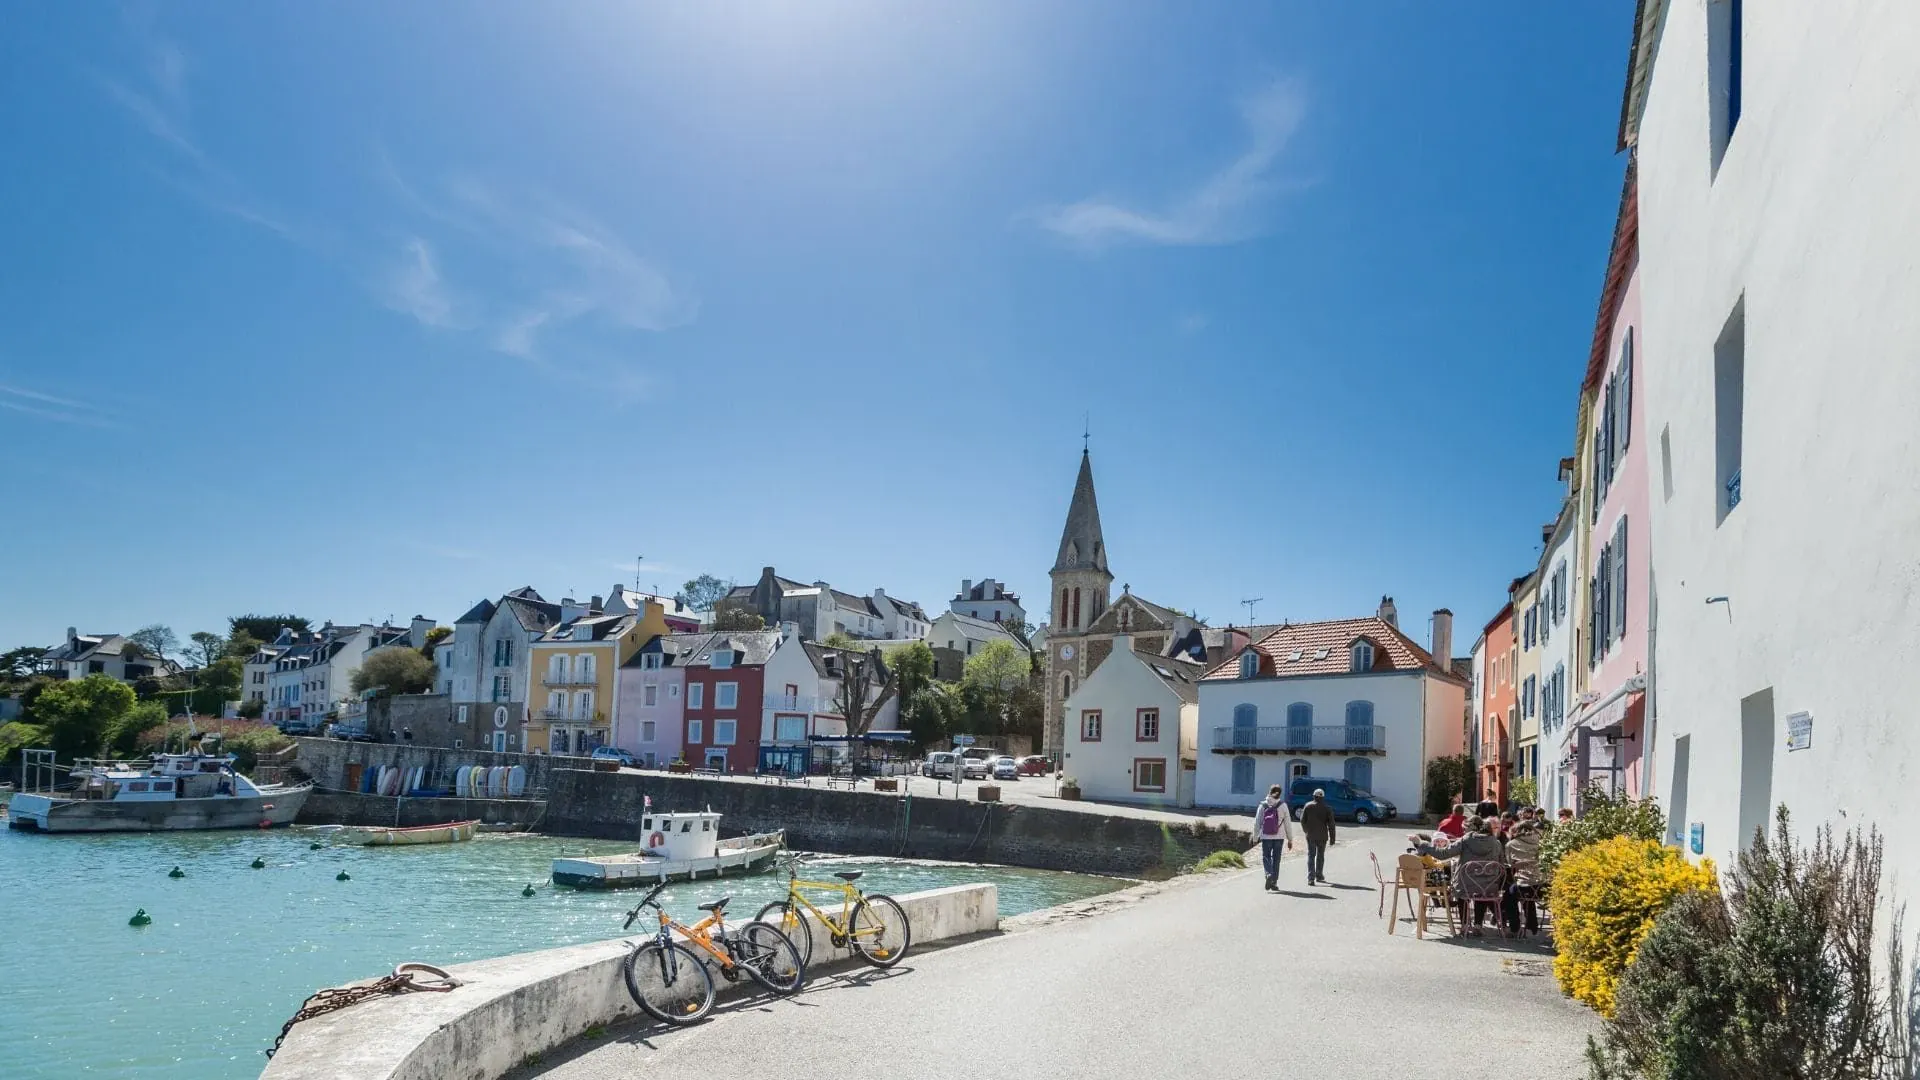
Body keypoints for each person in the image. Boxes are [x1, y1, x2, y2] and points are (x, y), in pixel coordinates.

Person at [1414, 817, 1507, 930]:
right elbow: (1502, 864)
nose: (1463, 832)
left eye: (1464, 829)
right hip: (1489, 886)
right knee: (1481, 887)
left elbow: (1443, 854)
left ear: (1471, 828)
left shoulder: (1466, 839)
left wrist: (1422, 843)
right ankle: (1478, 924)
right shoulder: (1496, 842)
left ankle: (1465, 925)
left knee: (1463, 889)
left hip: (1466, 885)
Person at [1503, 819, 1544, 935]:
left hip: (1524, 886)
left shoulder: (1511, 844)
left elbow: (1511, 864)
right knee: (1527, 892)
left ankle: (1515, 927)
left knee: (1509, 896)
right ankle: (1532, 926)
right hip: (1543, 886)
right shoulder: (1542, 842)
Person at [1253, 784, 1294, 891]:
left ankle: (1268, 874)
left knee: (1266, 857)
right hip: (1279, 837)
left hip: (1266, 836)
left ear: (1269, 792)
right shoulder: (1283, 805)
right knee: (1277, 859)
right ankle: (1274, 882)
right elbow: (1288, 824)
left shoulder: (1263, 805)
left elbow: (1257, 823)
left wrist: (1255, 837)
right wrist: (1290, 839)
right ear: (1280, 793)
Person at [1299, 788, 1336, 886]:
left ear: (1314, 796)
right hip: (1323, 836)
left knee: (1311, 855)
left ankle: (1311, 878)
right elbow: (1331, 825)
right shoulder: (1327, 808)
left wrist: (1306, 830)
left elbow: (1302, 820)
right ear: (1323, 797)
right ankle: (1319, 875)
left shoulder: (1308, 806)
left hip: (1311, 835)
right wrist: (1332, 838)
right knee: (1320, 856)